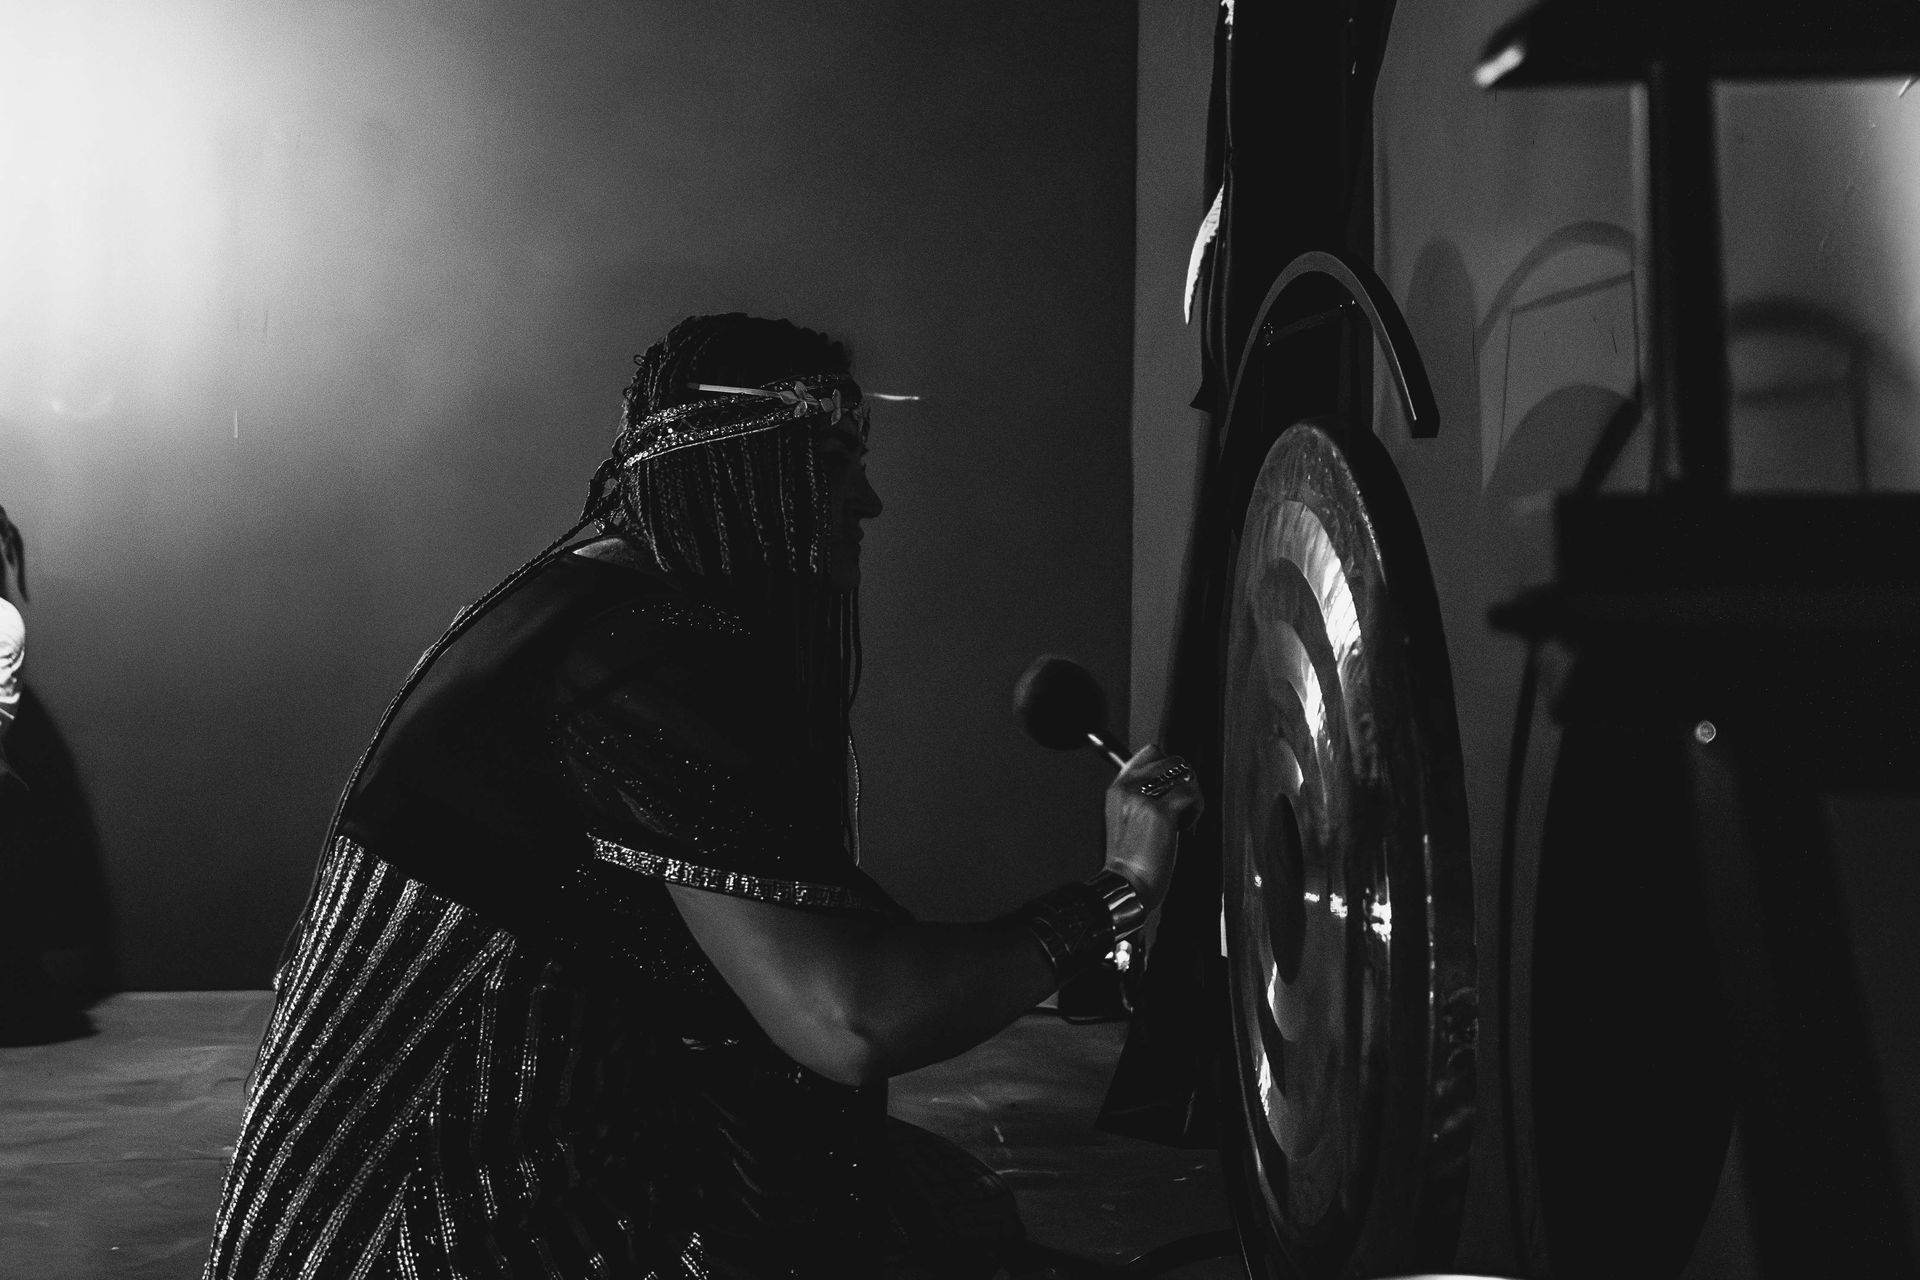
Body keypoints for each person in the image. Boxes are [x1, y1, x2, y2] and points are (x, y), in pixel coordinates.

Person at [203, 313, 1201, 1279]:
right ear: (748, 469)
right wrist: (1118, 887)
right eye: (835, 462)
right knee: (901, 1225)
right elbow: (846, 1017)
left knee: (920, 1198)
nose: (867, 503)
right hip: (426, 1229)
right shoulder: (630, 657)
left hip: (428, 1184)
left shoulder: (576, 607)